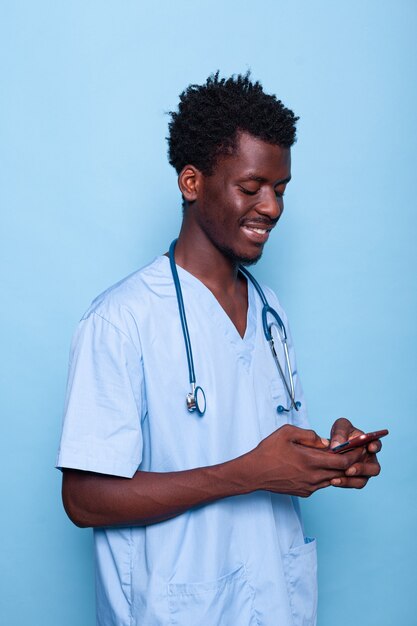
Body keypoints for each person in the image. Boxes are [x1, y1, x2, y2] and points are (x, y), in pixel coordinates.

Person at [57, 72, 382, 626]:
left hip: (275, 602)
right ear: (191, 182)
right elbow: (84, 499)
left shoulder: (271, 310)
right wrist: (250, 472)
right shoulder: (120, 320)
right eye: (251, 187)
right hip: (175, 608)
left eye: (281, 189)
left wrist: (329, 456)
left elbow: (274, 448)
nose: (272, 207)